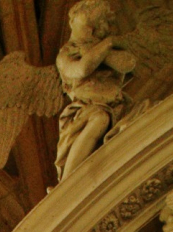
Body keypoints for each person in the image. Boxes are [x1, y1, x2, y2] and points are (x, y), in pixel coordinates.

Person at [55, 1, 138, 180]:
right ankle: (68, 182)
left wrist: (102, 48)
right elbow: (82, 70)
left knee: (146, 115)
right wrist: (99, 49)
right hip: (88, 107)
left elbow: (128, 63)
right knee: (100, 118)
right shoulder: (66, 53)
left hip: (118, 105)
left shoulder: (105, 48)